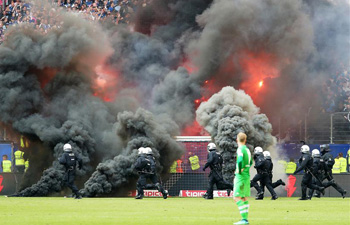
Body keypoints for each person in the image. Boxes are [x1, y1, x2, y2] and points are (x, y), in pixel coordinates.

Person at [233, 132, 252, 225]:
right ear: (245, 140)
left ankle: (244, 220)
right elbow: (251, 162)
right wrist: (246, 168)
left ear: (237, 139)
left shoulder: (240, 149)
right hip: (246, 176)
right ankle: (245, 219)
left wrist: (239, 170)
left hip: (240, 176)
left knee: (236, 197)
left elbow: (240, 160)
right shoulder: (247, 150)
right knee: (244, 197)